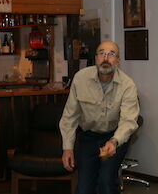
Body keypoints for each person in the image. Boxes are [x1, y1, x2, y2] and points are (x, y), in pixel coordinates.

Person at [59, 41, 140, 194]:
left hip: (114, 138)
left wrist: (114, 141)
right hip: (88, 138)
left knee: (106, 182)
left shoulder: (127, 85)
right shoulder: (80, 79)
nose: (105, 58)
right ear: (95, 58)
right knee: (84, 189)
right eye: (102, 53)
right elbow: (69, 116)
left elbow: (128, 121)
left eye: (111, 54)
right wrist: (67, 148)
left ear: (118, 60)